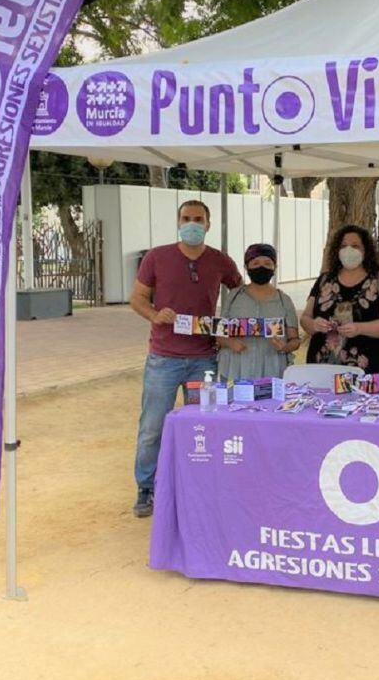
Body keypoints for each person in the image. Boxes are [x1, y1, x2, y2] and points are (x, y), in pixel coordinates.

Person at [129, 200, 242, 517]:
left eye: (198, 219)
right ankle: (146, 487)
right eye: (186, 218)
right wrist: (155, 314)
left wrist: (228, 328)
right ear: (178, 221)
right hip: (163, 359)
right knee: (153, 427)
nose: (191, 223)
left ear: (208, 224)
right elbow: (136, 298)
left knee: (201, 427)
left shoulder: (220, 261)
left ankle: (197, 483)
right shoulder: (157, 257)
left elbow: (241, 294)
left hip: (204, 360)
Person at [300, 224, 379, 373]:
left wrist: (360, 328)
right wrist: (314, 325)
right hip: (322, 368)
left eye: (355, 246)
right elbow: (305, 319)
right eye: (343, 246)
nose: (349, 250)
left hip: (369, 368)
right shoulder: (324, 281)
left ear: (365, 250)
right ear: (337, 251)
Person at [216, 243, 301, 380]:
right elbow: (219, 333)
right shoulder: (233, 297)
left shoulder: (284, 300)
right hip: (235, 369)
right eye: (255, 263)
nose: (262, 267)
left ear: (275, 267)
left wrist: (284, 347)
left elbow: (295, 340)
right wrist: (230, 343)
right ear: (246, 267)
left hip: (272, 370)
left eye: (268, 263)